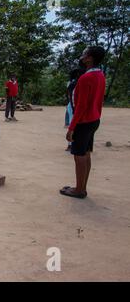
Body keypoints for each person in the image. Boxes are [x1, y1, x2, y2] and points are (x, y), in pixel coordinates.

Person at [60, 46, 106, 199]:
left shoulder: (86, 78)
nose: (83, 56)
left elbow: (81, 105)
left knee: (79, 155)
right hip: (93, 119)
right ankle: (82, 186)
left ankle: (78, 190)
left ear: (90, 58)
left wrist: (71, 127)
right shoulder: (100, 75)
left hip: (84, 121)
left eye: (85, 54)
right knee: (86, 154)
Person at [65, 69, 85, 151]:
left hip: (72, 105)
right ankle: (74, 145)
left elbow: (69, 95)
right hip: (75, 106)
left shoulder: (70, 83)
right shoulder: (76, 83)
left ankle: (70, 145)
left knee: (71, 122)